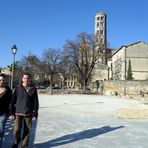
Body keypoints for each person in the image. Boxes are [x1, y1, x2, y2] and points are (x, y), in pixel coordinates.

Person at [9, 72, 39, 148]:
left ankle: (24, 145)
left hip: (28, 113)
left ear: (30, 79)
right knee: (16, 130)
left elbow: (36, 102)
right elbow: (12, 101)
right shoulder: (17, 88)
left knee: (27, 130)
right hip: (18, 112)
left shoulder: (33, 89)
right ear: (22, 79)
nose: (26, 79)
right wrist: (11, 113)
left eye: (28, 78)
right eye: (25, 78)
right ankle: (16, 141)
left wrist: (35, 113)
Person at [0, 73, 12, 147]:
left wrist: (10, 113)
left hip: (3, 113)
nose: (1, 82)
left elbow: (11, 102)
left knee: (0, 130)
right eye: (0, 80)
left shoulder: (8, 90)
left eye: (3, 80)